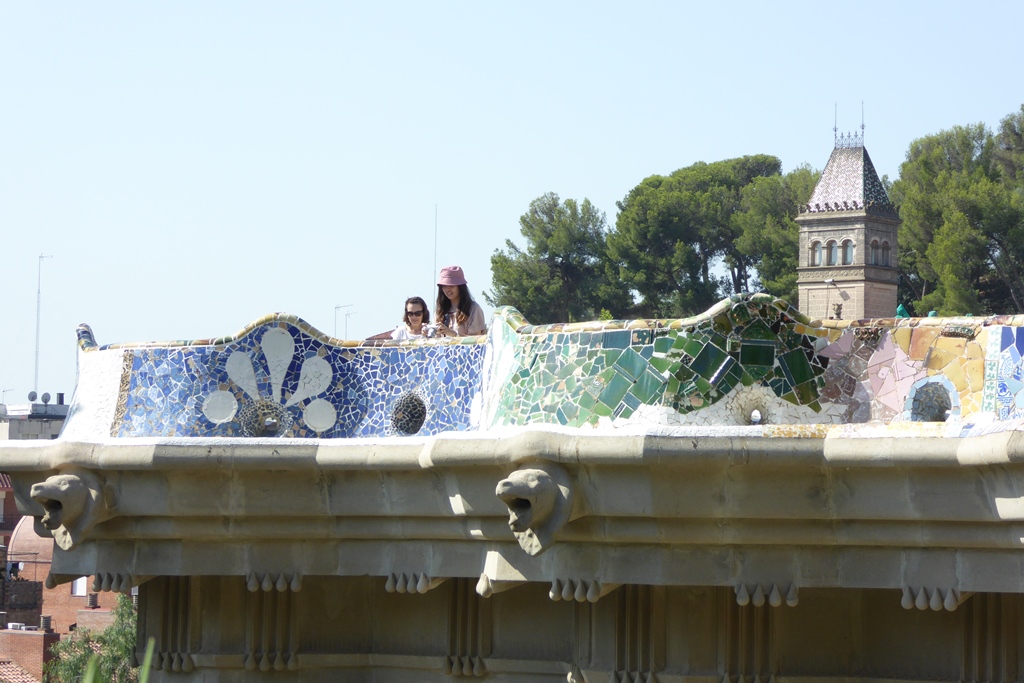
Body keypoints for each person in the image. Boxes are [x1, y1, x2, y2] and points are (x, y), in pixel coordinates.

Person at [435, 265, 486, 337]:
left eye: (451, 286)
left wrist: (453, 334)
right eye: (444, 286)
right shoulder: (439, 312)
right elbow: (436, 340)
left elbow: (476, 340)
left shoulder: (474, 309)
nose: (447, 289)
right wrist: (427, 335)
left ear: (460, 287)